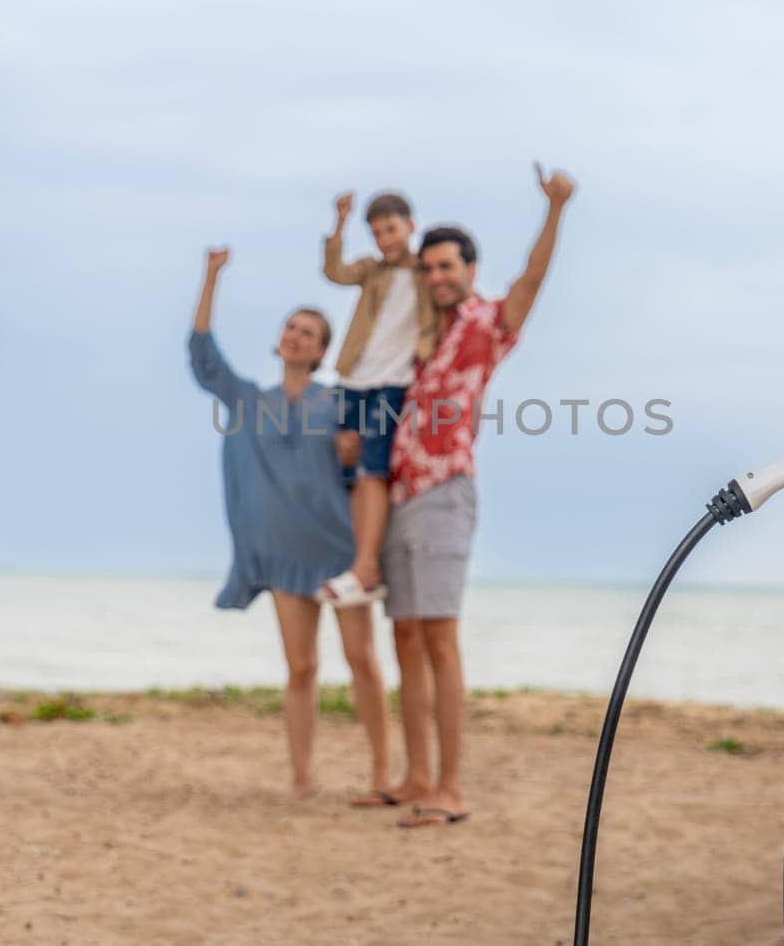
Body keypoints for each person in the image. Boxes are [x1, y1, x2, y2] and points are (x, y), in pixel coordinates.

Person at [382, 164, 576, 828]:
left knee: (439, 637)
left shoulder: (486, 323)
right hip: (399, 493)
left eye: (447, 266)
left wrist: (554, 210)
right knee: (404, 636)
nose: (437, 276)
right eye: (429, 267)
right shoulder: (416, 336)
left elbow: (531, 279)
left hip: (446, 493)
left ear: (468, 268)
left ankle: (452, 786)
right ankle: (414, 774)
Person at [188, 247, 393, 803]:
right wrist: (211, 277)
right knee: (301, 668)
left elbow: (368, 465)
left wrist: (352, 454)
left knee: (361, 661)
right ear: (280, 340)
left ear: (323, 350)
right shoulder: (249, 401)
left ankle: (381, 772)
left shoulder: (338, 403)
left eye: (308, 332)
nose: (296, 336)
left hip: (339, 550)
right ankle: (301, 777)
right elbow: (203, 356)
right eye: (291, 328)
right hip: (283, 555)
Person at [319, 190, 437, 605]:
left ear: (410, 225)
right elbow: (334, 271)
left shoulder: (427, 273)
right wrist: (339, 224)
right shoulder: (372, 270)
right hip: (355, 378)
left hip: (394, 382)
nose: (385, 239)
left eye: (391, 229)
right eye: (377, 232)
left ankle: (367, 566)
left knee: (374, 468)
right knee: (349, 468)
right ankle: (359, 563)